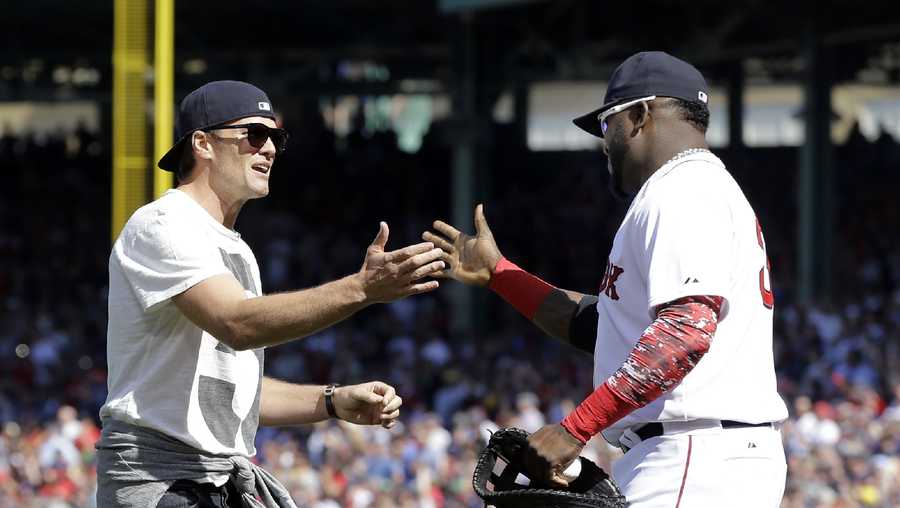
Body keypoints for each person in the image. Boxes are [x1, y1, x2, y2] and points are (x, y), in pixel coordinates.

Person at [424, 52, 789, 506]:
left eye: (606, 125)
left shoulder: (684, 189)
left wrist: (575, 429)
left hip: (692, 454)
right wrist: (501, 274)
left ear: (639, 116)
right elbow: (601, 326)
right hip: (700, 453)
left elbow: (685, 332)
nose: (604, 143)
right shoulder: (693, 189)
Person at [96, 80, 446, 508]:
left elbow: (235, 391)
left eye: (276, 137)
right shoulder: (163, 224)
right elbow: (237, 325)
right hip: (162, 481)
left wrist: (332, 401)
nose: (270, 149)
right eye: (255, 135)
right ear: (203, 144)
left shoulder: (237, 249)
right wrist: (361, 289)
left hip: (214, 481)